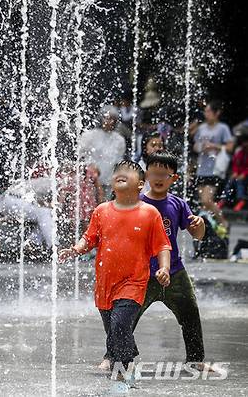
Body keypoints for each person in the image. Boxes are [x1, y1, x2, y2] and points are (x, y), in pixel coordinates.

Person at [97, 150, 210, 372]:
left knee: (190, 315)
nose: (158, 178)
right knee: (123, 319)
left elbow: (198, 235)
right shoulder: (133, 202)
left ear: (174, 178)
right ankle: (111, 356)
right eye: (154, 173)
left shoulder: (178, 204)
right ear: (145, 175)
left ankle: (196, 359)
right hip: (140, 275)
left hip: (174, 272)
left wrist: (200, 225)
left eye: (164, 175)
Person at [59, 160, 172, 379]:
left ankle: (121, 368)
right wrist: (76, 249)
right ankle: (122, 354)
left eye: (127, 172)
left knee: (120, 323)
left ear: (140, 184)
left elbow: (162, 245)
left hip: (133, 282)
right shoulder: (101, 210)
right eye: (117, 173)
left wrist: (164, 268)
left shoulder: (149, 213)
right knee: (113, 328)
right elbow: (89, 238)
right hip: (105, 283)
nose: (120, 174)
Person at [193, 100, 234, 226]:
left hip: (214, 169)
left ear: (217, 113)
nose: (206, 114)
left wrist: (214, 146)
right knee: (203, 203)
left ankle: (223, 222)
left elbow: (230, 147)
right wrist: (201, 147)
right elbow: (194, 146)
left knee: (207, 200)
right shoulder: (202, 128)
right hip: (202, 168)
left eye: (209, 111)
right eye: (205, 111)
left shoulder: (223, 128)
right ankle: (210, 228)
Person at [79, 106, 126, 199]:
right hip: (90, 180)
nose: (110, 122)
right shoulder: (89, 136)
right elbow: (81, 156)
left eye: (113, 119)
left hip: (109, 180)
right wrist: (90, 166)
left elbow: (119, 161)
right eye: (107, 118)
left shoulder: (119, 140)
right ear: (101, 118)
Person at [220, 135, 248, 211]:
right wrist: (235, 172)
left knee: (239, 182)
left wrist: (244, 174)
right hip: (239, 174)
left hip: (245, 175)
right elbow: (236, 163)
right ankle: (224, 199)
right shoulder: (240, 152)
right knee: (230, 181)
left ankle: (241, 200)